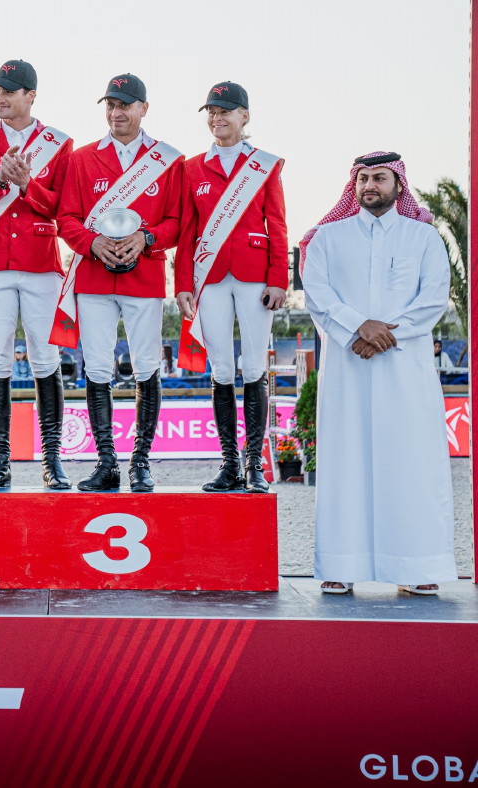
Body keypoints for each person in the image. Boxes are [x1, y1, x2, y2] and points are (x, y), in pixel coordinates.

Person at [301, 151, 457, 596]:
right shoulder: (327, 238)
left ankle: (417, 565)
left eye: (380, 178)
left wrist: (384, 334)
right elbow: (318, 294)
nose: (370, 185)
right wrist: (358, 327)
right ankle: (340, 564)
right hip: (347, 365)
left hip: (405, 368)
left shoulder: (423, 237)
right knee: (344, 461)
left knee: (411, 462)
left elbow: (433, 298)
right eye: (363, 178)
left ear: (398, 185)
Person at [55, 73, 183, 492]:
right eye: (110, 105)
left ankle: (140, 462)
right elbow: (66, 218)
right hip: (94, 276)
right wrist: (92, 243)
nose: (116, 112)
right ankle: (106, 462)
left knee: (146, 366)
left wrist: (146, 238)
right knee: (96, 367)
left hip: (144, 276)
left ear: (143, 108)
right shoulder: (82, 158)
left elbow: (177, 222)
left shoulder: (168, 160)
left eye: (125, 105)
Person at [0, 59, 75, 489]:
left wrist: (27, 185)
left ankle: (53, 460)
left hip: (40, 262)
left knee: (46, 359)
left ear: (31, 96)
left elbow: (64, 210)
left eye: (9, 91)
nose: (1, 98)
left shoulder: (59, 144)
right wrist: (1, 184)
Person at [174, 82, 288, 494]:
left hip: (255, 275)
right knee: (221, 369)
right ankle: (229, 464)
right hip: (211, 279)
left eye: (224, 111)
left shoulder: (263, 166)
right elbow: (187, 230)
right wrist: (183, 284)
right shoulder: (191, 168)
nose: (217, 118)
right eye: (211, 111)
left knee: (254, 367)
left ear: (244, 116)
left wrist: (279, 279)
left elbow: (277, 223)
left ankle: (255, 464)